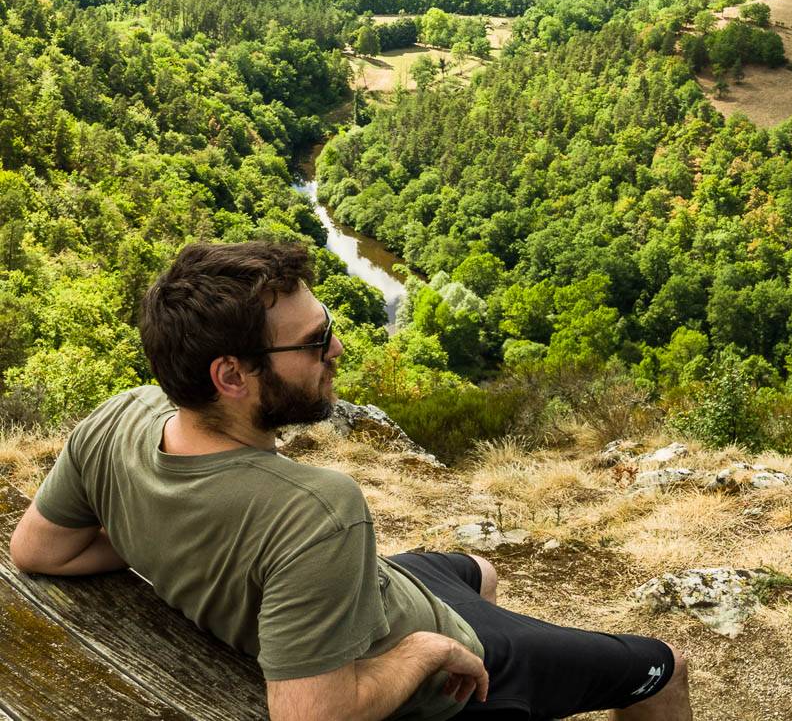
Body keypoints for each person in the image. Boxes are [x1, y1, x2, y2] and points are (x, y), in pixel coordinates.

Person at [7, 240, 693, 721]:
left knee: (479, 571)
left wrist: (152, 528)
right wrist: (428, 649)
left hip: (380, 592)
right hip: (442, 680)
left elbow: (37, 550)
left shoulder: (117, 418)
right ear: (231, 376)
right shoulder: (315, 513)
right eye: (313, 342)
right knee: (661, 664)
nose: (337, 347)